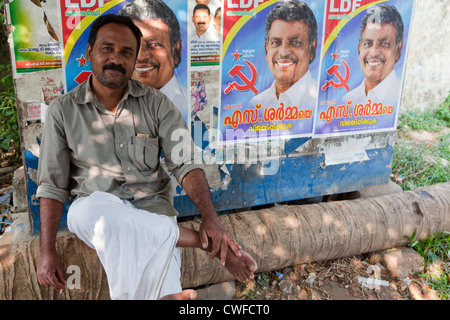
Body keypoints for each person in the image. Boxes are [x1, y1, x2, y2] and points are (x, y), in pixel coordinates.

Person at [36, 14, 257, 300]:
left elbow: (186, 163)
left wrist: (211, 220)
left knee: (159, 286)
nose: (116, 58)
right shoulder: (62, 111)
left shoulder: (156, 104)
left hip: (152, 210)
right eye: (107, 49)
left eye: (126, 52)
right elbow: (52, 185)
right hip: (94, 208)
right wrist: (47, 250)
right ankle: (193, 241)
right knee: (101, 215)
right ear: (89, 52)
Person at [118, 0, 189, 125]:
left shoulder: (196, 105)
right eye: (131, 45)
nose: (141, 56)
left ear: (176, 51)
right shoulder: (106, 107)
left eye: (154, 44)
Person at [247, 0, 318, 121]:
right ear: (266, 49)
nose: (284, 52)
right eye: (276, 42)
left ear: (312, 49)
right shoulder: (255, 105)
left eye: (295, 42)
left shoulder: (321, 102)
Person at [342, 4, 404, 107]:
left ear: (398, 50)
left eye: (384, 44)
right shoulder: (348, 100)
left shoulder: (399, 99)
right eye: (367, 43)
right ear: (359, 49)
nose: (374, 52)